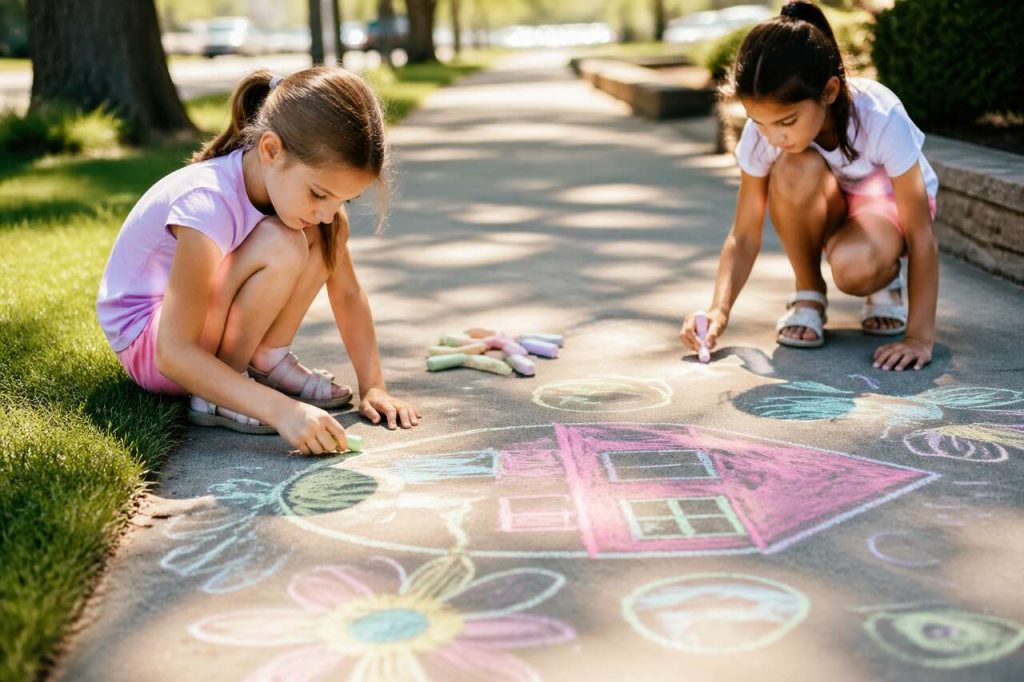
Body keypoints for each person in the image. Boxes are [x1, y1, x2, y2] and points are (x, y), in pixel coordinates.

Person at [97, 67, 421, 455]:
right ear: (270, 150)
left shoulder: (303, 202)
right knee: (281, 243)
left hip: (185, 340)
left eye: (343, 199)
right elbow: (174, 354)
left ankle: (268, 359)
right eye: (319, 194)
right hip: (153, 347)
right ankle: (219, 392)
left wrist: (374, 386)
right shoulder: (208, 204)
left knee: (325, 235)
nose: (326, 212)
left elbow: (348, 294)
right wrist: (281, 410)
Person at [681, 1, 940, 371]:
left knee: (854, 268)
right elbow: (744, 234)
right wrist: (718, 311)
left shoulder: (880, 115)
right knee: (794, 166)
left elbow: (922, 235)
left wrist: (918, 338)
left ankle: (885, 281)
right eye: (760, 121)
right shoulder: (765, 134)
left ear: (829, 91)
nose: (774, 136)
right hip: (829, 208)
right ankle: (809, 293)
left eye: (787, 122)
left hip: (885, 211)